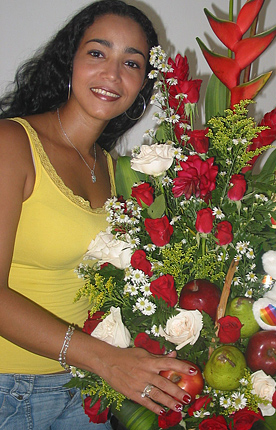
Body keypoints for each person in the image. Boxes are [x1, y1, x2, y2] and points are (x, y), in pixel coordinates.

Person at [0, 1, 195, 428]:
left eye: (132, 63)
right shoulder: (11, 143)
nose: (112, 75)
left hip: (83, 388)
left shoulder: (110, 167)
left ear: (143, 83)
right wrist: (106, 360)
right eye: (97, 53)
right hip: (11, 389)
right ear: (68, 58)